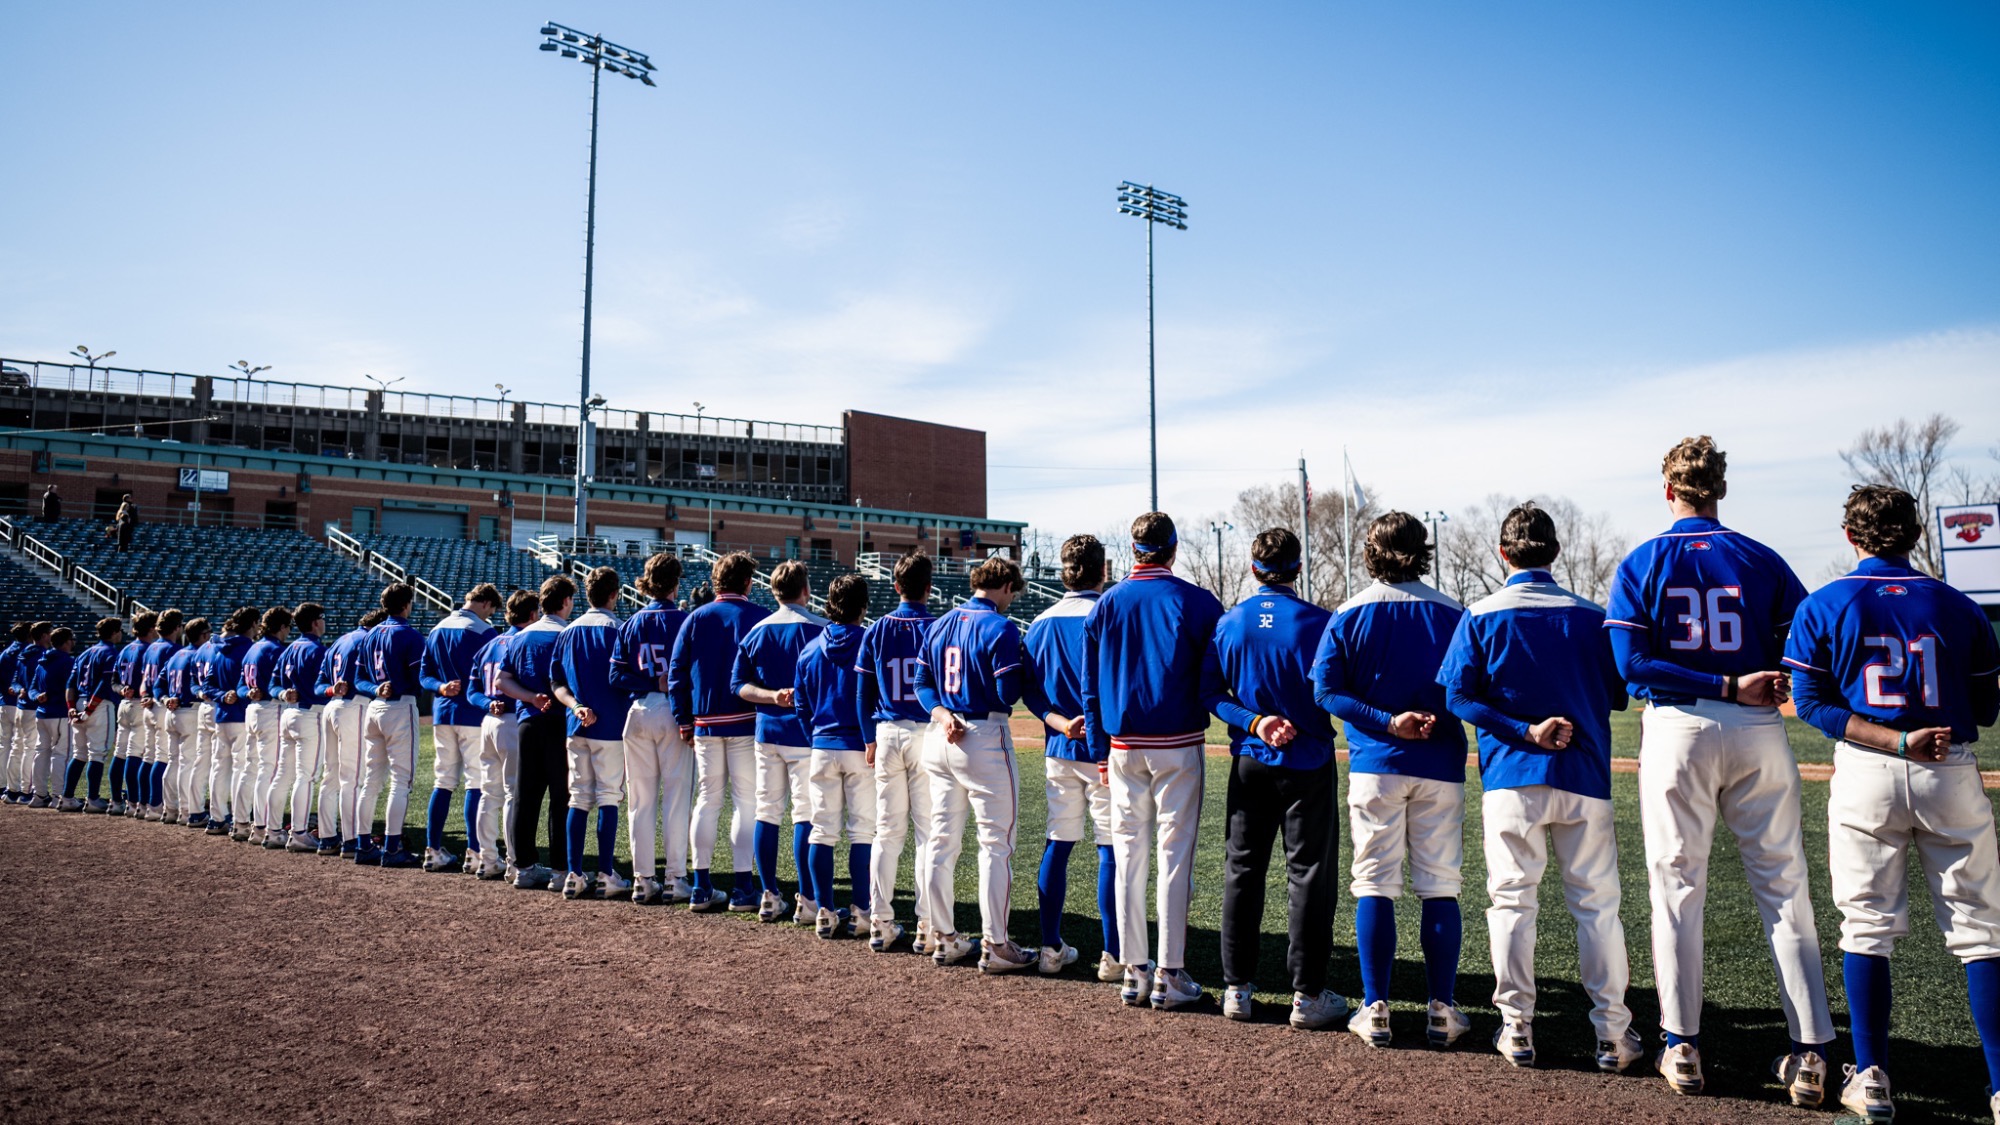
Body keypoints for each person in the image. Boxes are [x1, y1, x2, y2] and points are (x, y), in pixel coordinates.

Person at [1605, 437, 1834, 1102]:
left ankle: (1682, 1046)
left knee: (1677, 889)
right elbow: (1808, 642)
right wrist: (1756, 681)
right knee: (1786, 888)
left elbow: (1632, 665)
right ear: (1721, 489)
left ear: (1667, 489)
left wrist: (1725, 683)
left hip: (1680, 728)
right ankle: (1813, 1052)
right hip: (1757, 729)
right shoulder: (1761, 556)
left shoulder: (1644, 558)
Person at [1784, 484, 2000, 1124]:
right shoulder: (1957, 605)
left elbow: (1817, 706)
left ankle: (1872, 1075)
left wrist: (1893, 735)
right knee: (1982, 932)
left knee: (1867, 925)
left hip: (1867, 768)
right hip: (1948, 769)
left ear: (1851, 536)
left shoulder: (1824, 603)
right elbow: (1987, 708)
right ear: (1914, 536)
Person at [1438, 501, 1637, 1073]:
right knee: (1598, 910)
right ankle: (1612, 1035)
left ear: (1503, 553)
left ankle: (1517, 1027)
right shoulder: (1591, 616)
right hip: (1584, 777)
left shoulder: (1480, 614)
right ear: (1555, 551)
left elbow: (1458, 699)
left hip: (1511, 779)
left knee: (1511, 905)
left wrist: (1523, 727)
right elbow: (1617, 694)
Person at [1313, 512, 1471, 1048]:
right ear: (1422, 550)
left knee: (1374, 884)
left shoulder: (1350, 612)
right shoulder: (1453, 612)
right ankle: (1441, 1011)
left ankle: (1375, 1007)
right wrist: (1429, 719)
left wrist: (1387, 721)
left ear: (1371, 552)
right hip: (1441, 765)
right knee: (1440, 887)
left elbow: (1327, 694)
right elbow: (1473, 690)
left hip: (1376, 766)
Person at [1202, 528, 1349, 1030]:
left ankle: (1237, 989)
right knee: (1308, 874)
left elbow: (1210, 694)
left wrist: (1255, 721)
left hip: (1250, 758)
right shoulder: (1320, 622)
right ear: (1298, 567)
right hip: (1307, 760)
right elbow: (1334, 691)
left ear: (1252, 567)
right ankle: (1307, 997)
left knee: (1242, 870)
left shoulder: (1230, 622)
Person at [1083, 512, 1225, 1009]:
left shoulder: (1107, 603)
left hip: (1122, 746)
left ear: (1133, 547)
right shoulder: (1197, 600)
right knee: (1173, 857)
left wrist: (1098, 750)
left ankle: (1134, 971)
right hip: (1178, 742)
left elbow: (1089, 688)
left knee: (1129, 857)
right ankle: (1169, 972)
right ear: (1173, 547)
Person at [914, 555, 1031, 972]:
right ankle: (996, 945)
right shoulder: (1000, 626)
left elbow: (922, 683)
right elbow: (1006, 695)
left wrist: (943, 713)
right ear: (1004, 586)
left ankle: (941, 936)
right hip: (983, 735)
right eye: (1013, 590)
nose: (1013, 598)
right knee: (995, 845)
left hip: (941, 734)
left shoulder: (939, 623)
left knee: (940, 842)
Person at [1021, 535, 1120, 979]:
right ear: (1102, 570)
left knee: (1058, 843)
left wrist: (1056, 720)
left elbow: (1028, 691)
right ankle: (1114, 955)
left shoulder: (1039, 622)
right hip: (1104, 748)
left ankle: (1049, 947)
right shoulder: (1108, 613)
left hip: (1059, 747)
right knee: (1110, 849)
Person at [668, 553, 767, 911]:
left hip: (705, 722)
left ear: (715, 582)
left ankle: (701, 886)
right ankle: (743, 887)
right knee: (746, 802)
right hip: (747, 720)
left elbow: (677, 673)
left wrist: (683, 719)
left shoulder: (695, 617)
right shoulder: (760, 617)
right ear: (747, 582)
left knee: (708, 800)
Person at [733, 560, 829, 924]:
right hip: (807, 734)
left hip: (768, 731)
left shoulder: (757, 631)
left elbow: (738, 686)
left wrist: (772, 697)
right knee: (806, 813)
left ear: (773, 591)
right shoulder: (821, 629)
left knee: (767, 810)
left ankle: (770, 894)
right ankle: (806, 898)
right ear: (805, 590)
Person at [856, 551, 938, 953]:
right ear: (928, 587)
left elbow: (863, 692)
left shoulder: (877, 629)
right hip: (926, 732)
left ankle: (880, 921)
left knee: (886, 833)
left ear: (895, 586)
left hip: (887, 731)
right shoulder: (938, 627)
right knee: (928, 834)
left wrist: (868, 739)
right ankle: (926, 925)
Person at [792, 573, 874, 938]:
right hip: (859, 746)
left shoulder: (810, 647)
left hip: (822, 745)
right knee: (863, 833)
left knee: (821, 831)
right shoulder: (869, 642)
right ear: (862, 605)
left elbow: (800, 703)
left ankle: (824, 910)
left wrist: (815, 735)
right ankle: (863, 912)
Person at [611, 553, 693, 905]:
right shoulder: (686, 620)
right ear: (676, 583)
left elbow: (615, 676)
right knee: (676, 800)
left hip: (638, 711)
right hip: (673, 714)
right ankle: (675, 878)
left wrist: (648, 680)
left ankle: (643, 879)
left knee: (640, 803)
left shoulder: (630, 622)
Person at [549, 566, 633, 900]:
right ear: (615, 594)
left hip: (576, 724)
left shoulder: (568, 631)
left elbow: (556, 682)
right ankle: (606, 873)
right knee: (608, 796)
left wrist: (575, 706)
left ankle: (574, 874)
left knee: (579, 797)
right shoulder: (619, 629)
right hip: (611, 726)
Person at [497, 575, 575, 891]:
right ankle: (560, 871)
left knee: (525, 797)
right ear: (566, 602)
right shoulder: (568, 634)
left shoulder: (520, 637)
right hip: (560, 722)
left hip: (528, 722)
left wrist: (530, 697)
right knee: (562, 798)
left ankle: (524, 868)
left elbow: (502, 681)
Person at [418, 583, 500, 872]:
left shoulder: (437, 628)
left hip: (443, 713)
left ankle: (432, 848)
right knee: (476, 782)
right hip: (473, 714)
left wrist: (441, 687)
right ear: (486, 604)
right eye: (491, 609)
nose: (490, 614)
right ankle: (475, 851)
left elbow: (424, 675)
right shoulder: (484, 631)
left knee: (443, 781)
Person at [467, 591, 538, 881]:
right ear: (533, 615)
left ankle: (486, 859)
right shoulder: (524, 642)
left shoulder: (489, 644)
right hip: (511, 721)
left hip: (488, 721)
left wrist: (487, 703)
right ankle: (512, 861)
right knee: (512, 793)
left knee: (489, 792)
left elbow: (473, 691)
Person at [354, 584, 425, 868]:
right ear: (407, 604)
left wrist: (375, 687)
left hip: (374, 707)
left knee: (371, 780)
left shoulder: (370, 634)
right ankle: (393, 847)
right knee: (401, 781)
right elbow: (419, 678)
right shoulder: (409, 634)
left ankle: (362, 845)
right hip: (400, 706)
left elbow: (359, 678)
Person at [321, 609, 387, 856]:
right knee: (354, 778)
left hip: (332, 707)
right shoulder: (368, 640)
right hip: (354, 706)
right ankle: (352, 841)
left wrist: (330, 690)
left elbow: (321, 684)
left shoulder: (340, 640)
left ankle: (328, 838)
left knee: (331, 777)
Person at [272, 603, 329, 853]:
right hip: (310, 715)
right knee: (305, 777)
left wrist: (283, 693)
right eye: (322, 618)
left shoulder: (289, 648)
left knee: (282, 775)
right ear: (316, 622)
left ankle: (270, 830)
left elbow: (272, 684)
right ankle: (299, 832)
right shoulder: (317, 650)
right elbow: (322, 689)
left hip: (288, 714)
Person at [200, 607, 257, 839]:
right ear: (253, 624)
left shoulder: (219, 650)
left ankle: (216, 818)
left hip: (221, 716)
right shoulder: (250, 649)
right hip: (242, 716)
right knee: (242, 770)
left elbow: (207, 685)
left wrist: (223, 695)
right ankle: (239, 821)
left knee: (219, 769)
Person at [242, 605, 294, 847]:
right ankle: (264, 828)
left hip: (252, 710)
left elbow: (240, 686)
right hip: (270, 709)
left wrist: (249, 692)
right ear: (282, 627)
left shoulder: (252, 648)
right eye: (287, 627)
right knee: (269, 771)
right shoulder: (275, 649)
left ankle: (256, 826)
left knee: (256, 769)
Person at [59, 617, 123, 812]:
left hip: (79, 702)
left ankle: (67, 797)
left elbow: (70, 684)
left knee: (79, 754)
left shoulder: (85, 653)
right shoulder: (110, 652)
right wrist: (89, 710)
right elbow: (105, 684)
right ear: (113, 632)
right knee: (97, 753)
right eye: (119, 630)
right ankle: (93, 799)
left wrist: (71, 707)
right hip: (98, 705)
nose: (121, 634)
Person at [160, 618, 210, 827]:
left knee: (173, 761)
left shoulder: (175, 655)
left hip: (171, 711)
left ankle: (170, 809)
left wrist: (164, 699)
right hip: (189, 710)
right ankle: (186, 810)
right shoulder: (197, 655)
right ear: (203, 635)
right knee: (187, 763)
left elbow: (157, 685)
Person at [109, 611, 158, 815]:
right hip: (140, 704)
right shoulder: (149, 650)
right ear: (151, 628)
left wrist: (121, 689)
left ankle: (116, 800)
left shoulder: (126, 649)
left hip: (125, 703)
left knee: (120, 753)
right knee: (135, 754)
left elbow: (113, 681)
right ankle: (134, 802)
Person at [138, 610, 184, 821]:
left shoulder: (151, 647)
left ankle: (143, 802)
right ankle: (156, 804)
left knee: (148, 756)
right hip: (164, 705)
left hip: (149, 703)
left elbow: (145, 680)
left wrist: (145, 695)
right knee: (162, 758)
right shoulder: (173, 649)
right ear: (176, 628)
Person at [177, 619, 220, 830]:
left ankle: (194, 812)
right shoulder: (216, 649)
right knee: (220, 764)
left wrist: (200, 692)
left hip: (202, 706)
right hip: (215, 707)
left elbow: (194, 683)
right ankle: (219, 813)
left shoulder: (199, 652)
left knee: (200, 762)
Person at [27, 627, 76, 807]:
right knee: (61, 755)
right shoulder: (68, 662)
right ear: (65, 642)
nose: (72, 643)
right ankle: (58, 796)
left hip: (42, 713)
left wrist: (36, 697)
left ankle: (39, 795)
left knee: (41, 754)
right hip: (60, 713)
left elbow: (32, 688)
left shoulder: (42, 662)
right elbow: (72, 688)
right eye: (71, 639)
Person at [11, 622, 52, 806]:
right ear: (43, 636)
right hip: (32, 707)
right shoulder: (41, 655)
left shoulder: (23, 654)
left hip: (21, 706)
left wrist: (21, 690)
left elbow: (15, 681)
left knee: (17, 748)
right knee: (30, 750)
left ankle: (14, 790)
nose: (51, 636)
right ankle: (26, 791)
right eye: (49, 633)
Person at [0, 623, 26, 803]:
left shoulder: (6, 652)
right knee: (20, 746)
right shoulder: (28, 652)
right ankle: (15, 786)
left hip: (4, 702)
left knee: (4, 745)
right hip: (20, 703)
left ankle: (2, 784)